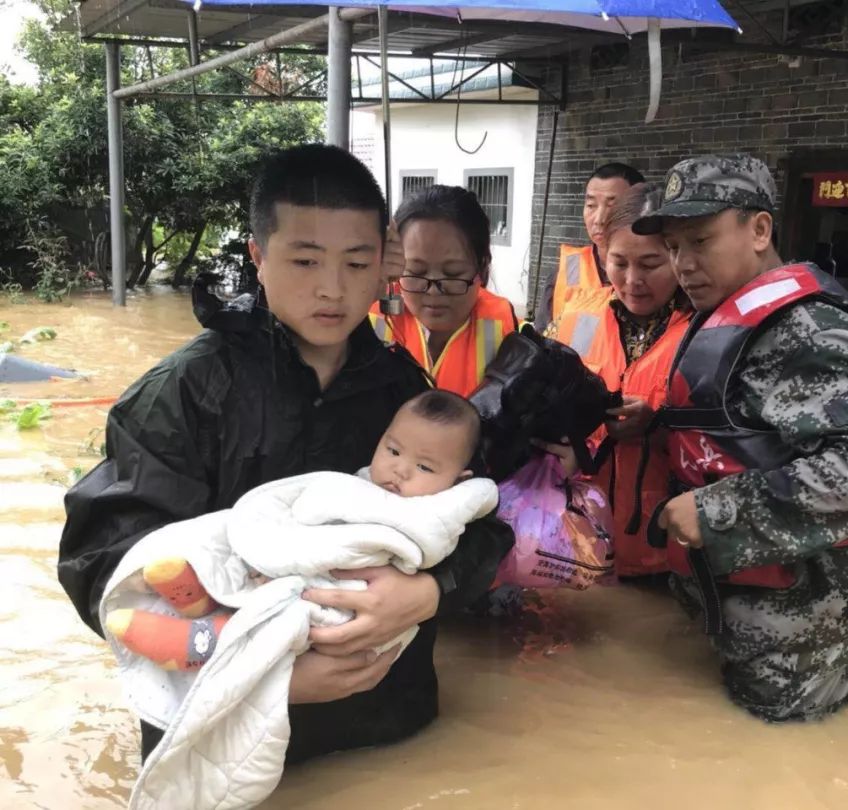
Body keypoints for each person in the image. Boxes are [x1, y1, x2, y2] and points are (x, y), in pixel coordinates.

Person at [57, 144, 514, 763]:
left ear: (382, 262)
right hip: (223, 730)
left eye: (357, 264)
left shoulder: (405, 392)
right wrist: (266, 676)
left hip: (384, 721)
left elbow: (480, 521)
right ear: (258, 257)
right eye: (305, 261)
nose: (333, 290)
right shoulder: (185, 392)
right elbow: (106, 561)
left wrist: (431, 590)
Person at [634, 155, 848, 722]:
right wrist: (658, 422)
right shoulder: (730, 316)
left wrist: (715, 513)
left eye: (700, 241)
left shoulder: (808, 328)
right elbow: (748, 425)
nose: (683, 263)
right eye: (673, 246)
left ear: (759, 230)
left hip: (801, 637)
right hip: (740, 606)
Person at [106, 389, 487, 670]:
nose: (401, 470)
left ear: (458, 481)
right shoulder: (360, 483)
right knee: (224, 535)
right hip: (303, 567)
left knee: (300, 608)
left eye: (424, 468)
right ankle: (205, 593)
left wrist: (436, 588)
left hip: (357, 604)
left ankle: (206, 644)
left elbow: (464, 540)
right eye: (393, 451)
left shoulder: (443, 509)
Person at [546, 184, 692, 578]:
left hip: (666, 553)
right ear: (600, 254)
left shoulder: (706, 332)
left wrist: (657, 429)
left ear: (679, 255)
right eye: (619, 262)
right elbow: (542, 406)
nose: (632, 280)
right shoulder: (575, 316)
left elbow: (722, 447)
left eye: (650, 264)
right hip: (578, 541)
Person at [370, 185, 517, 397]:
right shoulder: (370, 318)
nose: (434, 292)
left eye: (453, 274)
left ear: (482, 266)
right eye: (416, 272)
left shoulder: (503, 327)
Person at [533, 162, 646, 332]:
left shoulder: (653, 277)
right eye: (591, 206)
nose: (599, 218)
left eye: (612, 206)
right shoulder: (566, 271)